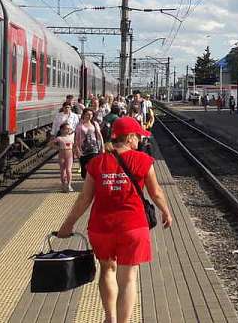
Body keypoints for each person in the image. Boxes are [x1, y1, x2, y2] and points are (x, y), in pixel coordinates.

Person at [57, 117, 172, 323]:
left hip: (101, 228)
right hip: (133, 227)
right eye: (137, 136)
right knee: (128, 279)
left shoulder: (97, 162)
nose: (139, 141)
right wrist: (166, 212)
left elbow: (84, 199)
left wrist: (68, 224)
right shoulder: (144, 161)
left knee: (107, 270)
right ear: (129, 138)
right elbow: (156, 193)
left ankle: (109, 318)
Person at [74, 108, 105, 180]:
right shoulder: (79, 125)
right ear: (84, 115)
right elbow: (76, 138)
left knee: (93, 166)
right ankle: (86, 182)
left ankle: (92, 183)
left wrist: (102, 147)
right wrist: (76, 149)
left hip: (94, 148)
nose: (89, 116)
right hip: (83, 149)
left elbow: (99, 135)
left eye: (91, 114)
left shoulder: (95, 123)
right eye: (87, 114)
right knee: (84, 168)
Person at [51, 122, 75, 192]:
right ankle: (63, 184)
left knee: (68, 170)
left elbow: (74, 145)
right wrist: (58, 148)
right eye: (66, 129)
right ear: (61, 130)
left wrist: (76, 152)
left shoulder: (71, 137)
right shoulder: (59, 138)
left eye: (69, 129)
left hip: (69, 155)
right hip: (61, 155)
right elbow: (50, 144)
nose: (68, 130)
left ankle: (69, 184)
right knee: (62, 171)